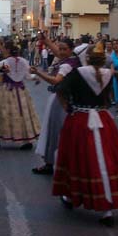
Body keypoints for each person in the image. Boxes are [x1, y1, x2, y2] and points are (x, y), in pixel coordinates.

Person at [52, 43, 118, 226]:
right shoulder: (108, 74)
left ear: (87, 57)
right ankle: (106, 206)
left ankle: (71, 195)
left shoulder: (78, 73)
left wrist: (67, 107)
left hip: (80, 119)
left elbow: (59, 89)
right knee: (106, 159)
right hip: (103, 119)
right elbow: (107, 99)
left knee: (76, 158)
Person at [32, 37, 80, 175]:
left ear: (71, 50)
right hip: (66, 99)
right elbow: (58, 52)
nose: (61, 52)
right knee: (56, 131)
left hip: (60, 100)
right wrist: (47, 41)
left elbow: (55, 80)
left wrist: (38, 72)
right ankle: (55, 162)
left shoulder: (67, 65)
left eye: (65, 49)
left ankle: (53, 163)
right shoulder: (73, 59)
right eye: (61, 48)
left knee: (55, 131)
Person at [0, 41, 40, 149]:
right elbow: (28, 76)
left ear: (7, 50)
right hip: (21, 91)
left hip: (6, 89)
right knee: (23, 114)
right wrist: (36, 77)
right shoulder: (24, 61)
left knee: (1, 113)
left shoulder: (4, 62)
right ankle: (26, 140)